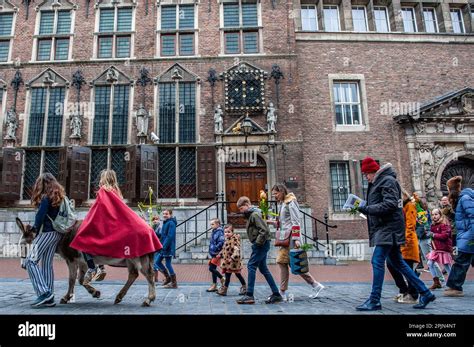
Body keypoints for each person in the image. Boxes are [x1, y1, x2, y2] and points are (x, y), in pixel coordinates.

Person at [356, 157, 435, 310]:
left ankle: (375, 300)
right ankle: (425, 292)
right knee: (398, 262)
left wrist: (366, 208)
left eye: (366, 174)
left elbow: (390, 204)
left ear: (373, 171)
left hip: (388, 229)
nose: (366, 177)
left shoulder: (387, 181)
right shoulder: (380, 181)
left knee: (377, 261)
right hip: (385, 228)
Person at [70, 170, 162, 283]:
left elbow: (98, 210)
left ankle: (93, 267)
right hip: (115, 226)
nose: (99, 181)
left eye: (101, 178)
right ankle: (100, 267)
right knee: (98, 243)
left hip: (106, 226)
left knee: (83, 240)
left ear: (104, 179)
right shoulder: (117, 191)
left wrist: (89, 220)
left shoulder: (103, 191)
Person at [271, 184, 324, 300]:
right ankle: (314, 285)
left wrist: (297, 240)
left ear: (281, 191)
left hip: (290, 238)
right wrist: (272, 222)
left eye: (276, 194)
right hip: (285, 237)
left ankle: (283, 291)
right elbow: (285, 222)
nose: (274, 196)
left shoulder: (291, 202)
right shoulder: (282, 203)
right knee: (289, 263)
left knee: (288, 263)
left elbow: (296, 221)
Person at [26, 173, 65, 308]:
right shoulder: (58, 196)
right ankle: (50, 296)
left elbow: (40, 216)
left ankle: (44, 294)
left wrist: (34, 229)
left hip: (47, 233)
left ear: (42, 183)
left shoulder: (45, 197)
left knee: (30, 261)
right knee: (47, 264)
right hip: (57, 234)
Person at [236, 196, 282, 305]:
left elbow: (264, 230)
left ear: (247, 205)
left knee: (251, 266)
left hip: (261, 244)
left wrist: (257, 243)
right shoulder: (253, 214)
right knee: (263, 269)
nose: (240, 211)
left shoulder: (254, 214)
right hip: (262, 244)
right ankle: (276, 294)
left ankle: (249, 295)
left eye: (241, 208)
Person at [386, 190, 420, 304]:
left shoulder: (410, 205)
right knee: (390, 263)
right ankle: (404, 290)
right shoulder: (401, 206)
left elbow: (410, 226)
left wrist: (405, 241)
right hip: (399, 241)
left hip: (407, 243)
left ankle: (413, 294)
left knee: (408, 268)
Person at [444, 178, 474, 297]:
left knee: (461, 261)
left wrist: (471, 235)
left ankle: (455, 287)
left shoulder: (465, 198)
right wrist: (450, 214)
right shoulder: (463, 199)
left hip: (469, 236)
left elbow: (472, 216)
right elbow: (463, 217)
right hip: (467, 235)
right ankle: (454, 286)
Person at [426, 208, 453, 289]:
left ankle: (453, 283)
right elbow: (432, 235)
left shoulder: (444, 224)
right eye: (433, 214)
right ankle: (436, 282)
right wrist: (428, 232)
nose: (434, 216)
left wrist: (433, 235)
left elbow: (445, 236)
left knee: (447, 266)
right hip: (436, 248)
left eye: (436, 214)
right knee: (430, 264)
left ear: (440, 215)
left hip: (443, 248)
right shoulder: (433, 225)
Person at [216, 224, 247, 296]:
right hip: (227, 262)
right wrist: (220, 254)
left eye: (228, 232)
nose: (227, 234)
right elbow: (225, 249)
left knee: (237, 274)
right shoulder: (227, 239)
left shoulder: (234, 239)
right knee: (229, 275)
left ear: (232, 232)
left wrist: (232, 258)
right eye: (225, 232)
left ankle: (244, 287)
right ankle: (225, 290)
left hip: (233, 262)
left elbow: (236, 251)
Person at [155, 209, 178, 288]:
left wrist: (164, 247)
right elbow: (163, 235)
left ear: (170, 214)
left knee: (168, 264)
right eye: (164, 213)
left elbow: (170, 236)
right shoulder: (166, 222)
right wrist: (154, 233)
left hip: (167, 247)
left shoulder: (171, 223)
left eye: (166, 214)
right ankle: (168, 278)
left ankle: (174, 283)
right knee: (157, 262)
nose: (164, 215)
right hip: (163, 247)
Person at [206, 219, 225, 292]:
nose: (211, 226)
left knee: (211, 268)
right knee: (213, 268)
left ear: (218, 224)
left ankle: (222, 278)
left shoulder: (219, 232)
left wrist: (215, 248)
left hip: (217, 253)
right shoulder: (214, 231)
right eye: (211, 224)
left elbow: (221, 242)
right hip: (213, 252)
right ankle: (214, 285)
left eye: (212, 224)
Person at [152, 215, 162, 282]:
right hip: (153, 246)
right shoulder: (153, 227)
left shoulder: (160, 227)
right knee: (154, 263)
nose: (155, 220)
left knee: (156, 263)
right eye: (154, 219)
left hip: (158, 247)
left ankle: (166, 275)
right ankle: (155, 279)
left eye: (156, 219)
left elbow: (160, 235)